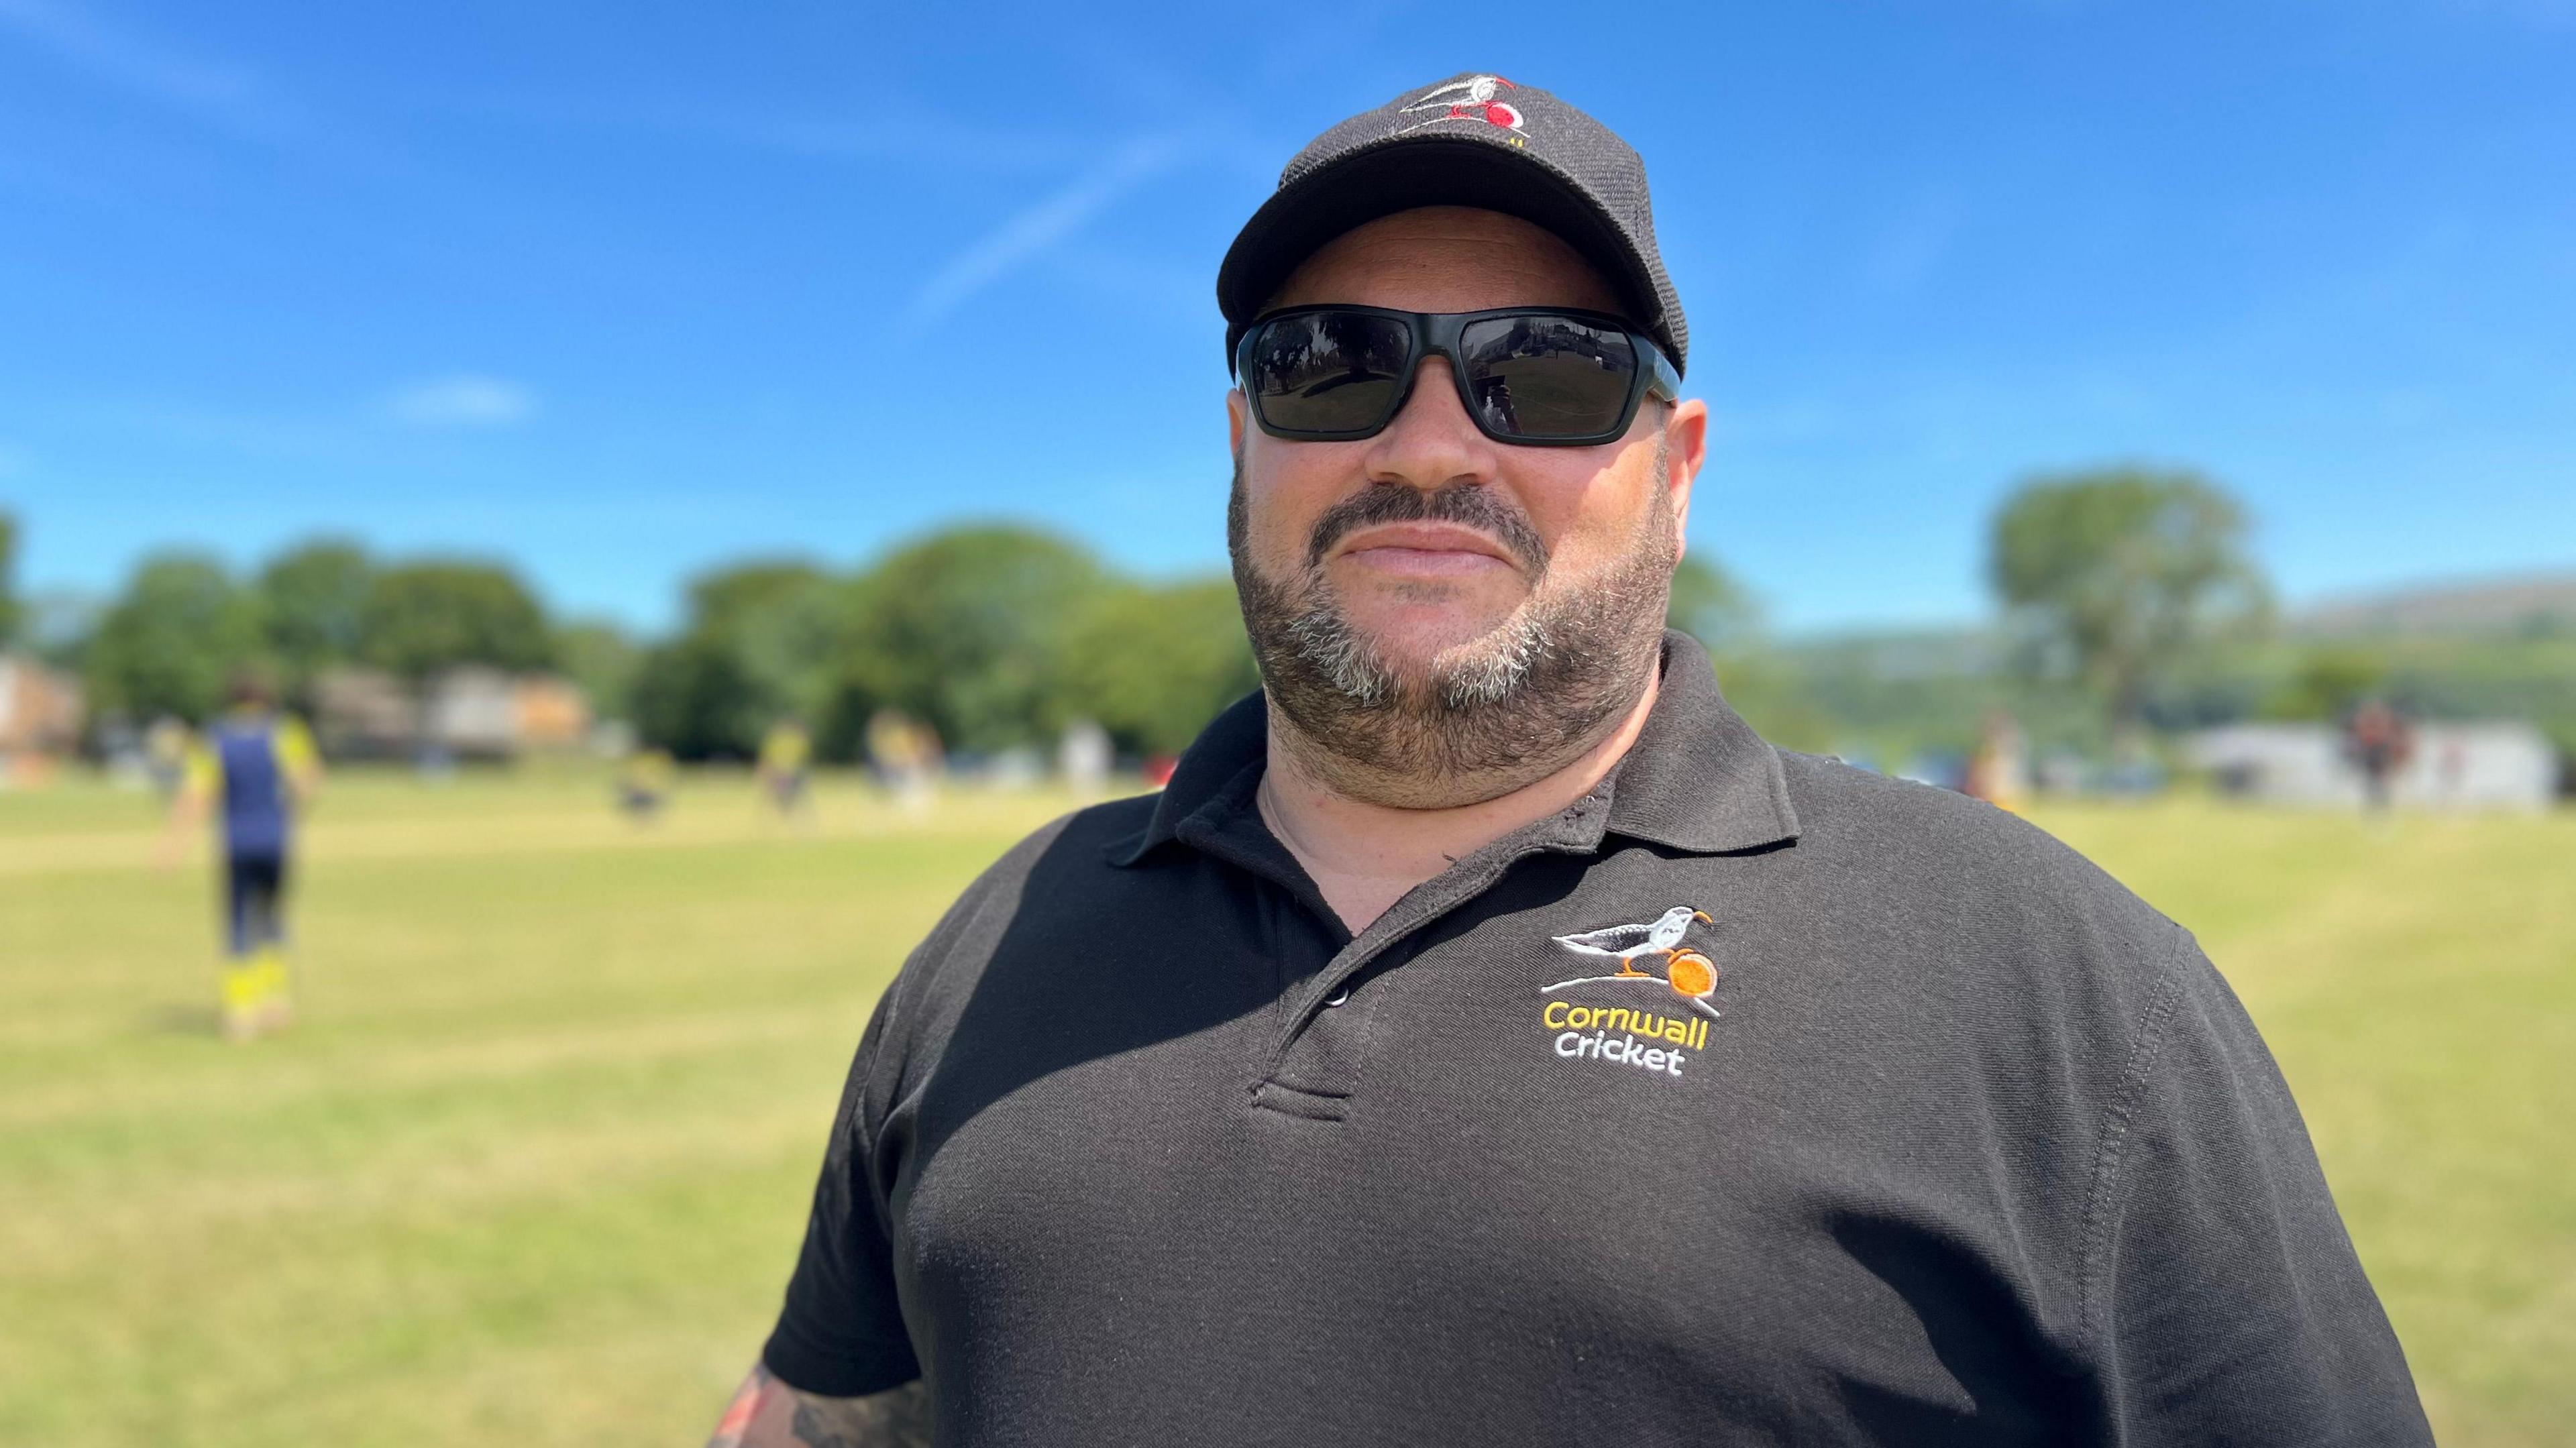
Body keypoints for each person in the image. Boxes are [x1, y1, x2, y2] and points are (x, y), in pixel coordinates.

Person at [710, 74, 2429, 1447]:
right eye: (1331, 366)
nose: (1429, 441)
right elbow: (834, 1410)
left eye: (1545, 374)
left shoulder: (2053, 982)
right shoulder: (1009, 919)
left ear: (1674, 469)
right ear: (1242, 441)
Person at [163, 672, 322, 1042]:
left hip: (237, 842)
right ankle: (276, 1004)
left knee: (237, 923)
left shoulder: (216, 738)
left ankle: (239, 1013)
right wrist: (292, 812)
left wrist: (172, 845)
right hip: (275, 839)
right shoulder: (284, 732)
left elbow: (197, 796)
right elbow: (308, 782)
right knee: (272, 918)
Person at [759, 716, 816, 819]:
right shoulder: (785, 741)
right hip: (783, 772)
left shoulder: (797, 742)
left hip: (790, 773)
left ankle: (788, 813)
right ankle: (786, 813)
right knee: (784, 796)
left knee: (791, 796)